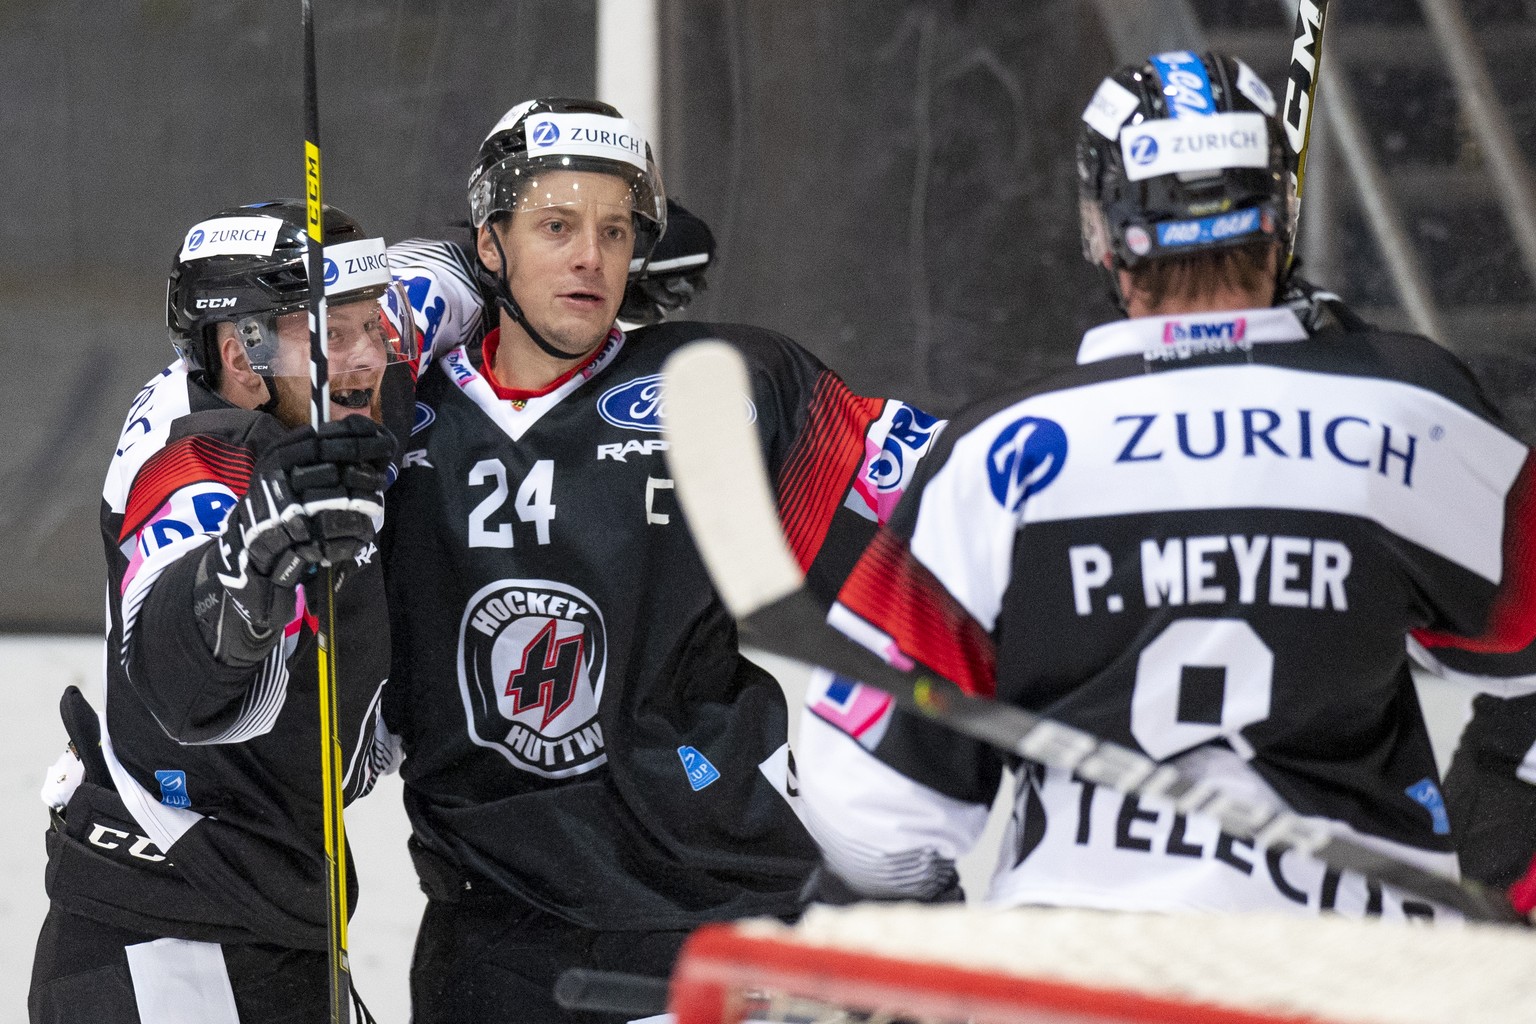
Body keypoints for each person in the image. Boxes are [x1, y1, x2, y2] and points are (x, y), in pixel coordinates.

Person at [792, 50, 1536, 919]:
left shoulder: (998, 456)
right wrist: (1499, 872)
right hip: (1358, 966)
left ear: (1103, 234)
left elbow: (871, 806)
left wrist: (911, 941)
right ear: (1279, 218)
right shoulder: (1411, 411)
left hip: (1086, 971)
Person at [379, 97, 941, 1022]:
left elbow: (962, 506)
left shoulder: (720, 388)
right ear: (490, 247)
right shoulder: (399, 420)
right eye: (555, 227)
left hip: (712, 905)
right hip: (490, 931)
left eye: (613, 231)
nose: (589, 258)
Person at [29, 200, 410, 1024]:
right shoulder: (196, 459)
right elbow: (178, 681)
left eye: (371, 325)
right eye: (335, 333)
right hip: (170, 944)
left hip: (261, 916)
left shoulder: (304, 403)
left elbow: (435, 293)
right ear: (243, 354)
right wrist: (243, 570)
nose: (371, 356)